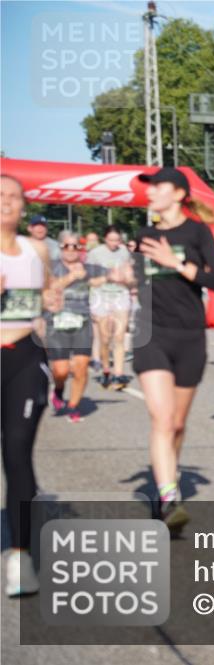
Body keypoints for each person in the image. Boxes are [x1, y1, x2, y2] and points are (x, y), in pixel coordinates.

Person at [132, 167, 214, 534]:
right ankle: (170, 495)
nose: (151, 192)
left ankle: (165, 483)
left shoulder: (197, 232)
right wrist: (127, 277)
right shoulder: (144, 234)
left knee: (177, 424)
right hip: (151, 332)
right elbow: (139, 282)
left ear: (179, 194)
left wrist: (177, 264)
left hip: (189, 336)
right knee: (162, 418)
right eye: (149, 188)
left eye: (158, 187)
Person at [1, 174, 51, 597]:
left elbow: (46, 295)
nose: (8, 202)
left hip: (25, 358)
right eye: (0, 196)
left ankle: (21, 556)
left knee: (17, 453)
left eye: (15, 196)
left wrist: (50, 302)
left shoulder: (36, 250)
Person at [46, 231, 114, 422]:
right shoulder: (51, 266)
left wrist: (117, 275)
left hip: (82, 321)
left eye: (75, 246)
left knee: (81, 367)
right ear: (60, 248)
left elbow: (111, 276)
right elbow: (50, 288)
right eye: (67, 245)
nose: (71, 250)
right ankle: (58, 390)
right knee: (61, 370)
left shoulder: (89, 268)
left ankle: (73, 406)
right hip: (56, 322)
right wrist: (73, 276)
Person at [86, 225, 132, 390]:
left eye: (117, 240)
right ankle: (106, 370)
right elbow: (89, 280)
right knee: (105, 338)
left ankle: (118, 374)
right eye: (111, 240)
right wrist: (108, 277)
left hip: (120, 295)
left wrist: (127, 279)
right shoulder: (95, 254)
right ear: (104, 239)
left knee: (119, 337)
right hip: (101, 296)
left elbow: (129, 274)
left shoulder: (124, 252)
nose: (114, 243)